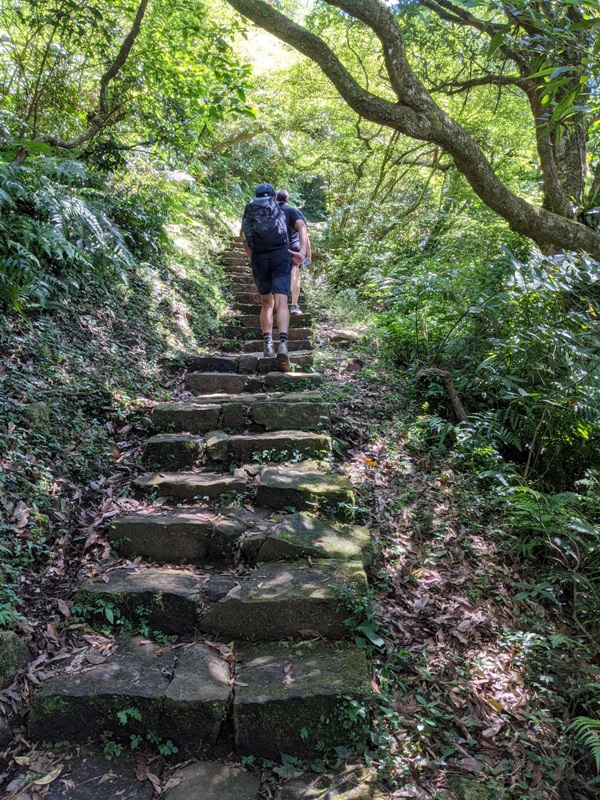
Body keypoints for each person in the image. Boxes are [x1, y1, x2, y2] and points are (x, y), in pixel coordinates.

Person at [240, 183, 308, 369]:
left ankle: (268, 344)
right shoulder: (287, 211)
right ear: (275, 197)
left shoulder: (251, 211)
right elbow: (302, 227)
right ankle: (283, 344)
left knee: (266, 302)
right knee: (281, 302)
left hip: (259, 258)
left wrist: (252, 257)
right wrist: (302, 254)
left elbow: (244, 237)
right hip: (281, 256)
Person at [276, 189, 311, 315]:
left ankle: (276, 305)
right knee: (294, 272)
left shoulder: (270, 211)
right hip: (293, 248)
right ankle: (294, 305)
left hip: (275, 249)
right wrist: (307, 255)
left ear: (275, 198)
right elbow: (304, 233)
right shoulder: (293, 211)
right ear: (287, 200)